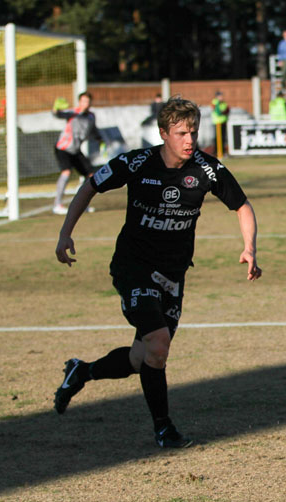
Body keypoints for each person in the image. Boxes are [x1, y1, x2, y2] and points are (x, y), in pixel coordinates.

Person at [53, 97, 262, 448]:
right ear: (163, 133)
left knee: (147, 356)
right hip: (133, 267)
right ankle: (164, 429)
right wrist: (65, 233)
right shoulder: (137, 163)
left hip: (173, 274)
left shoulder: (207, 170)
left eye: (193, 132)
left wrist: (249, 248)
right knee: (159, 341)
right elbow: (90, 184)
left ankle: (82, 370)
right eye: (181, 132)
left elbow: (241, 205)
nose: (189, 140)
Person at [52, 91, 105, 215]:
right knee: (66, 172)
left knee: (91, 176)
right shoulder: (73, 113)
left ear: (90, 103)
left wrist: (100, 140)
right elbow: (57, 114)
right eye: (83, 101)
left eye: (87, 101)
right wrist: (55, 108)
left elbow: (94, 130)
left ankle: (82, 205)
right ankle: (57, 205)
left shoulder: (91, 116)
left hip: (75, 151)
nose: (85, 104)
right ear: (79, 102)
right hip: (63, 148)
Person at [211, 90, 229, 156]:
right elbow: (218, 112)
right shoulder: (215, 102)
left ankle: (223, 151)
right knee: (217, 138)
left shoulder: (224, 103)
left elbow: (227, 110)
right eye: (220, 96)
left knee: (223, 137)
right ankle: (216, 152)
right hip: (217, 123)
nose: (222, 97)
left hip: (223, 122)